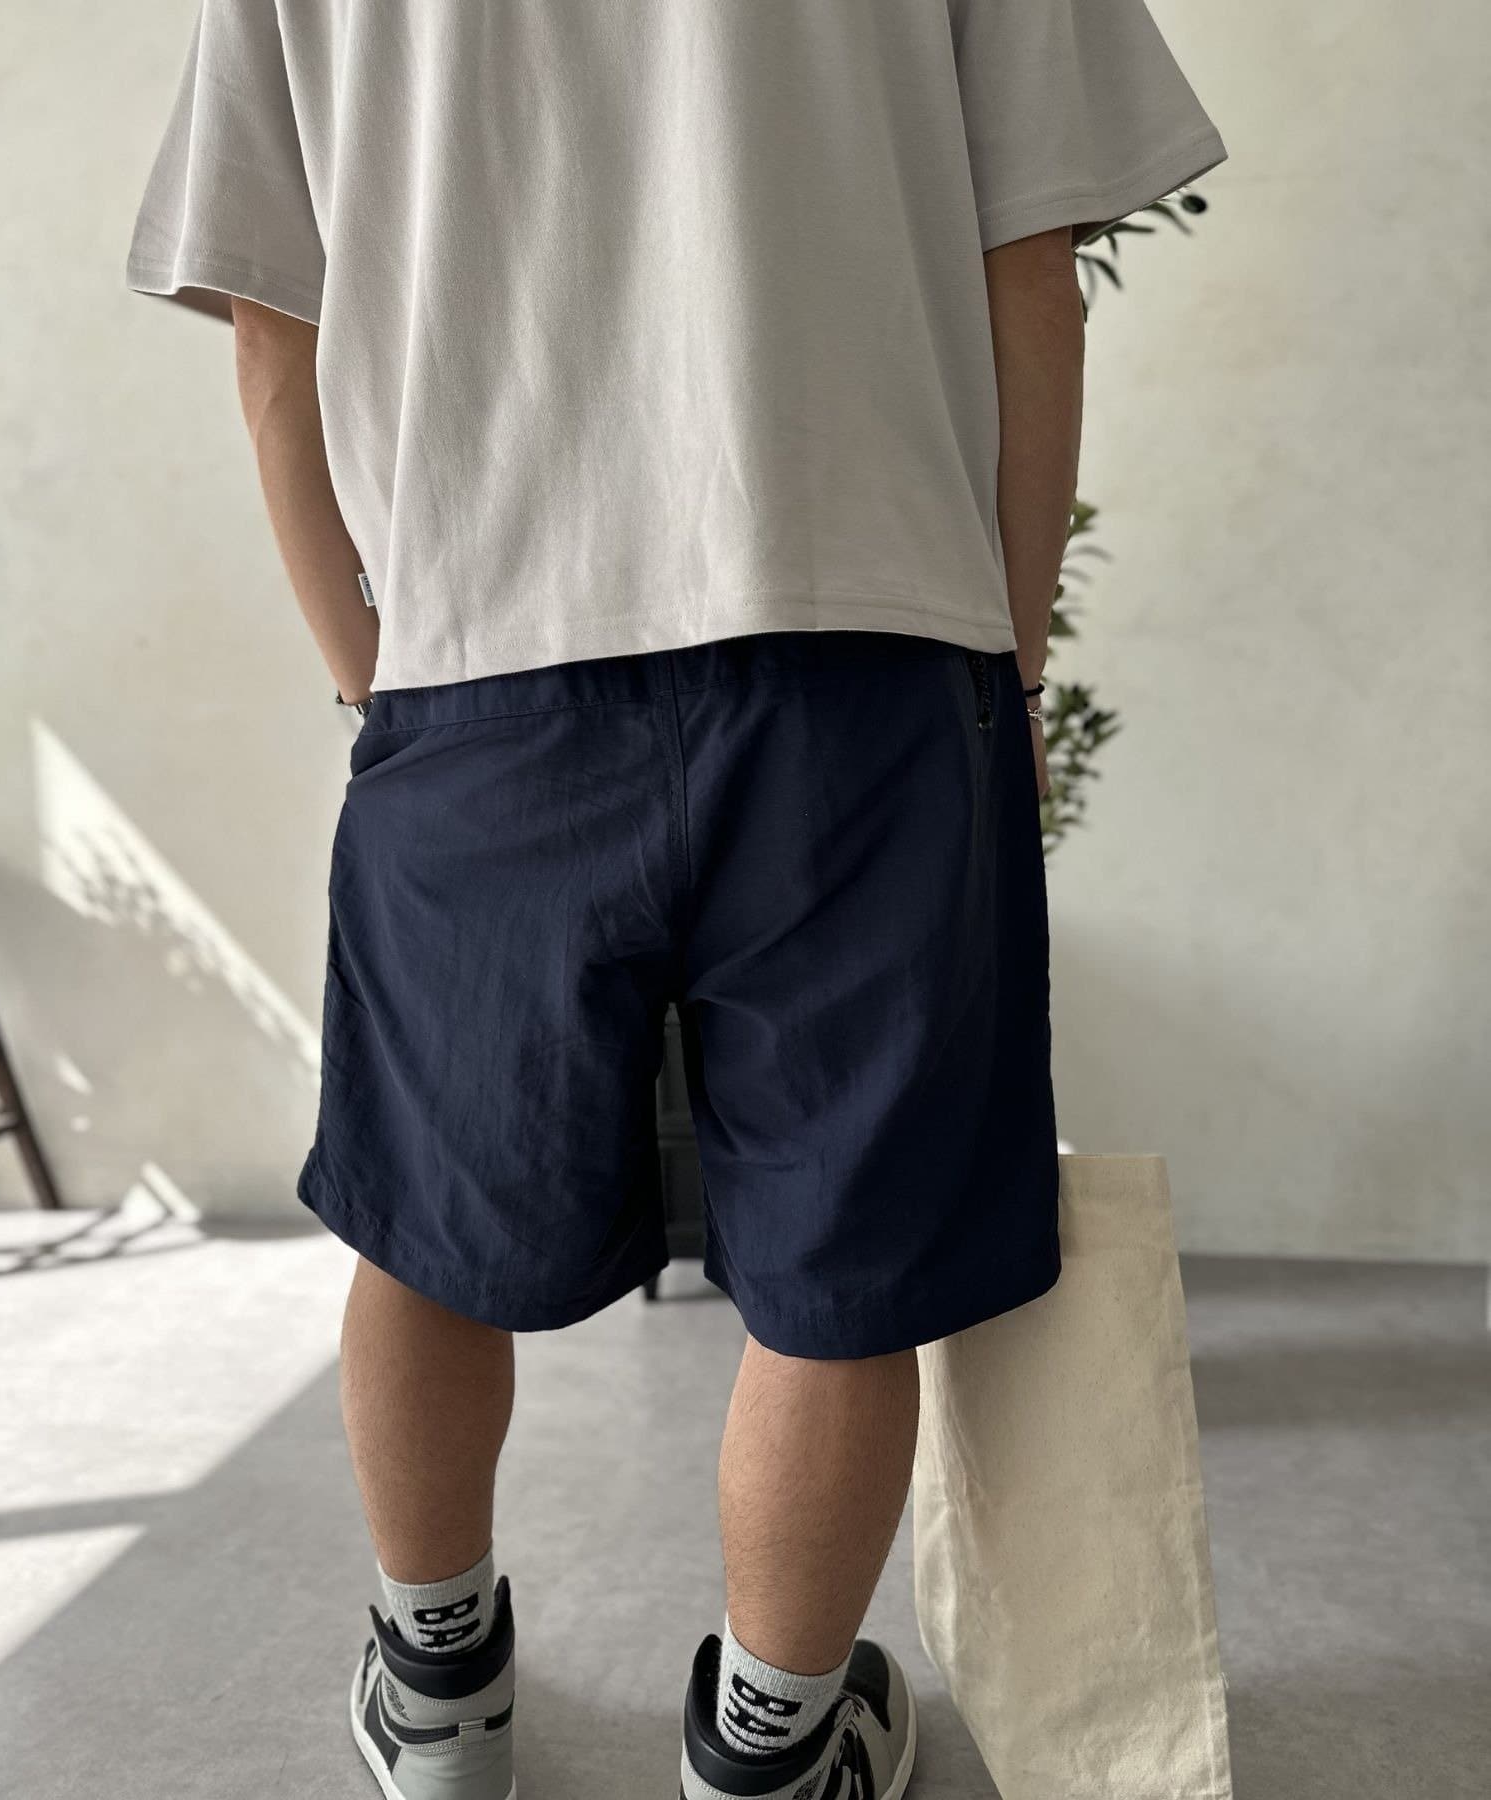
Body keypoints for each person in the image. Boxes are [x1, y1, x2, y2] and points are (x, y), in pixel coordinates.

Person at [126, 4, 1225, 1795]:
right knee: (840, 1255)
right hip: (870, 653)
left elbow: (272, 333)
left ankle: (438, 1696)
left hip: (480, 669)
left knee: (428, 1218)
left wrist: (374, 684)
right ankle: (775, 1747)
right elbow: (1034, 273)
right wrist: (1005, 669)